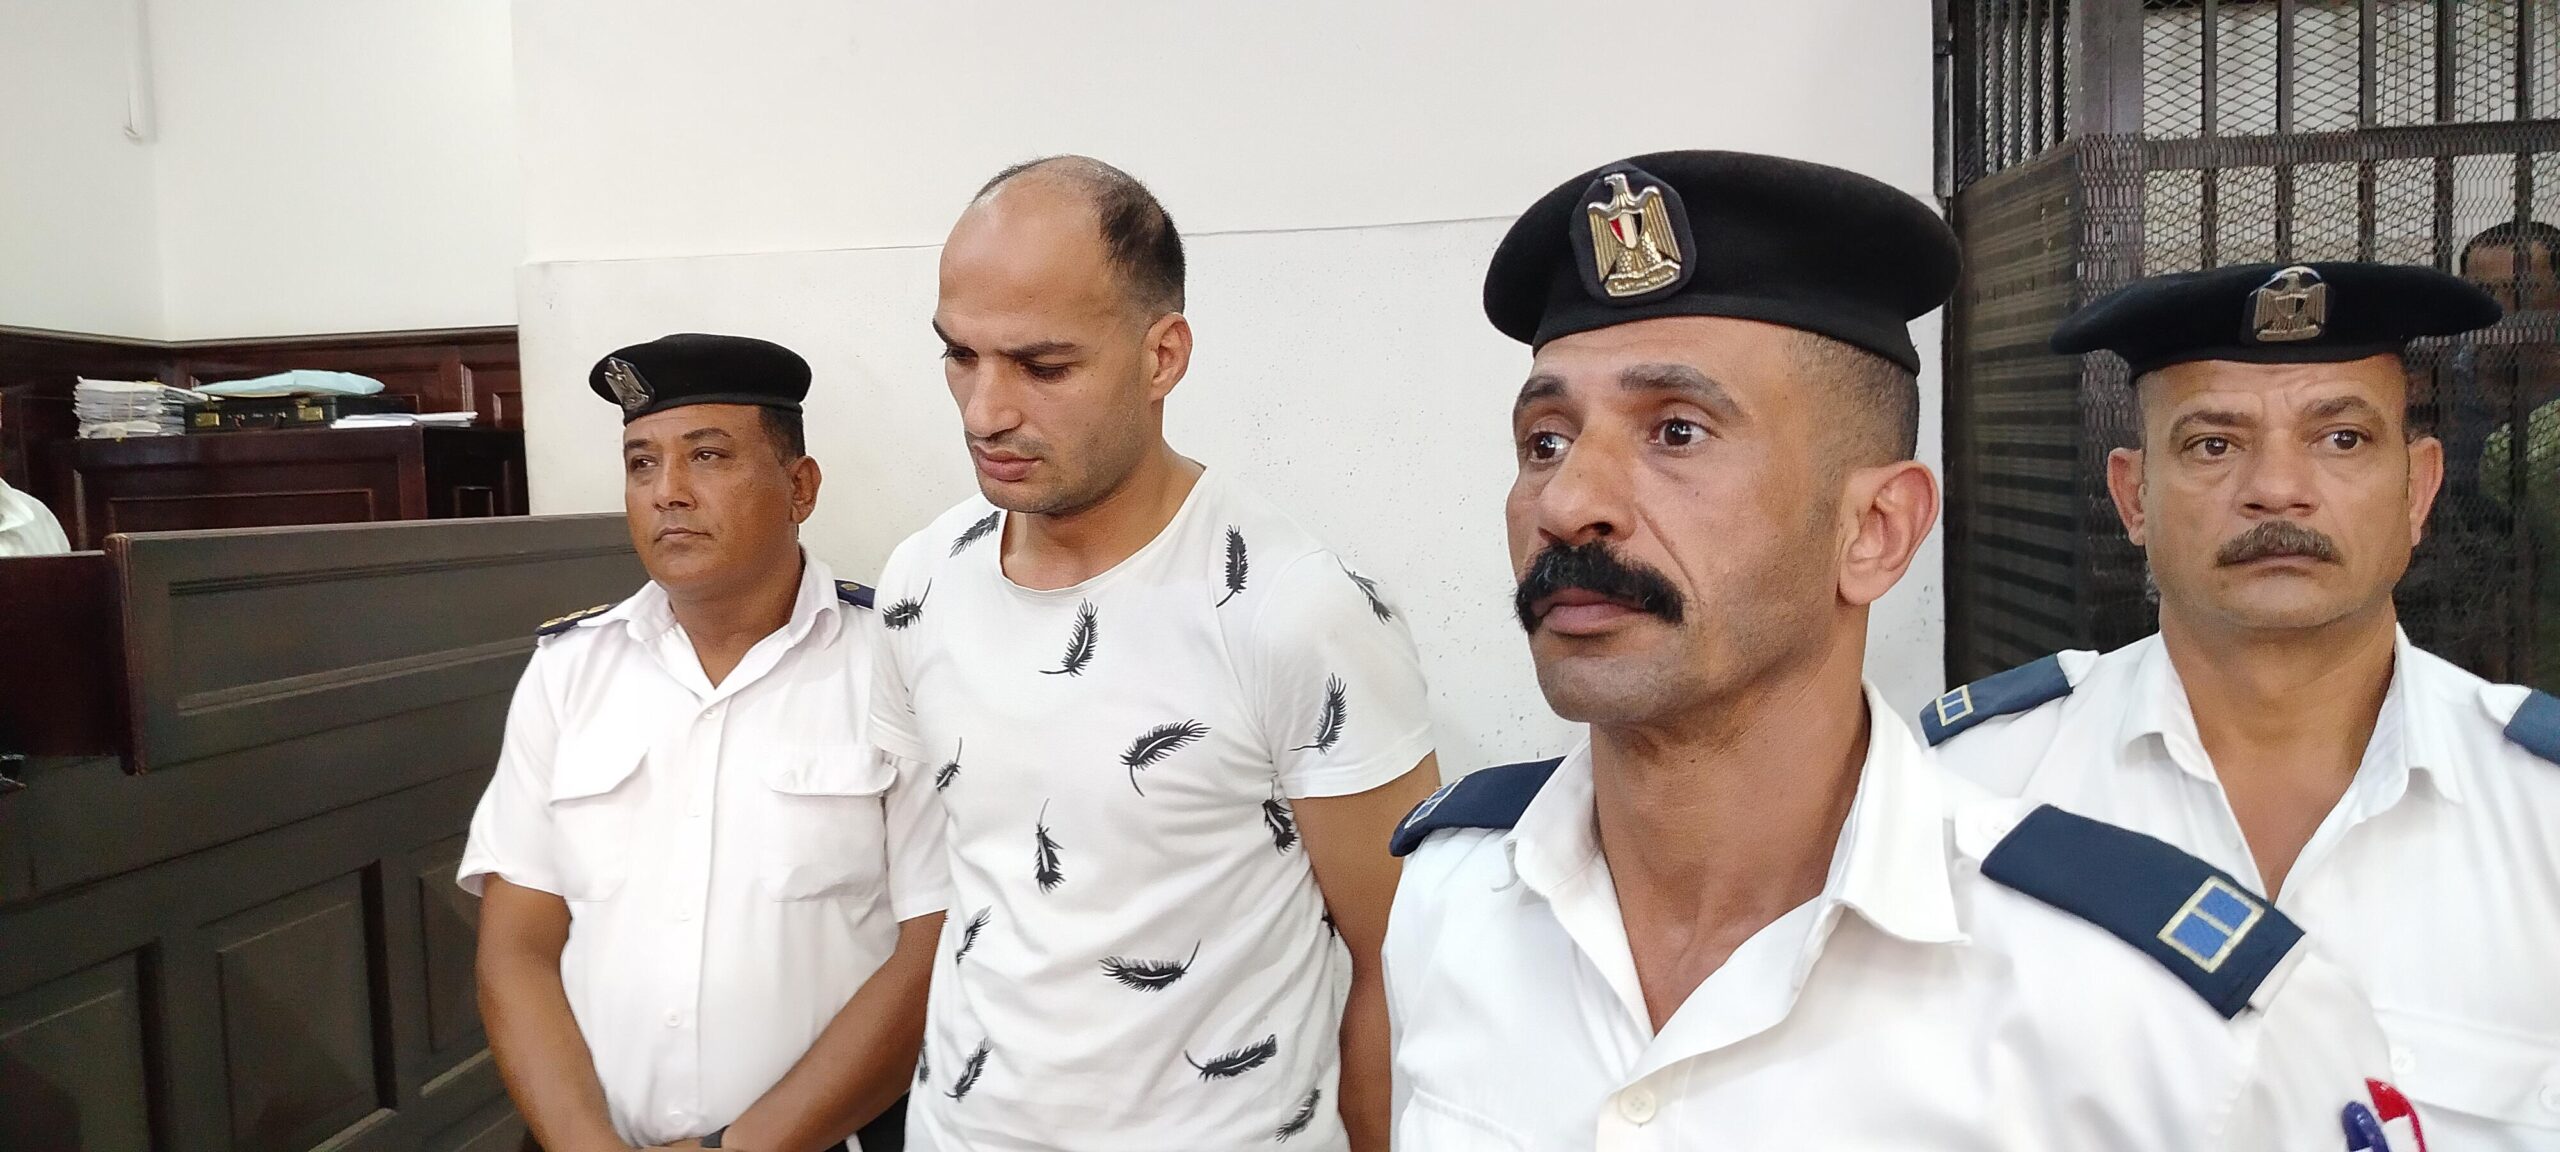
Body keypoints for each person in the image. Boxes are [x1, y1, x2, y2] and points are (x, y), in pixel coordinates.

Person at [1385, 151, 2417, 1149]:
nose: (1567, 502)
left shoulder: (2165, 1018)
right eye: (1546, 441)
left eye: (1677, 432)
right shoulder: (1454, 903)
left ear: (1875, 530)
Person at [867, 156, 1438, 1151]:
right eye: (959, 355)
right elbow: (958, 889)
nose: (984, 410)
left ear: (1162, 356)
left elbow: (1402, 960)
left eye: (1043, 367)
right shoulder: (921, 582)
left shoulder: (1295, 609)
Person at [1930, 259, 2558, 1147]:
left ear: (2418, 490)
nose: (2277, 488)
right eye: (2212, 446)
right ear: (2132, 497)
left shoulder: (2543, 811)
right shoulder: (1973, 795)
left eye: (2342, 439)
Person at [460, 333, 949, 1152]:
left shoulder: (896, 665)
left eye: (708, 456)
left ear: (800, 487)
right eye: (641, 464)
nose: (668, 493)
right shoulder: (569, 672)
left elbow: (934, 947)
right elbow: (517, 947)